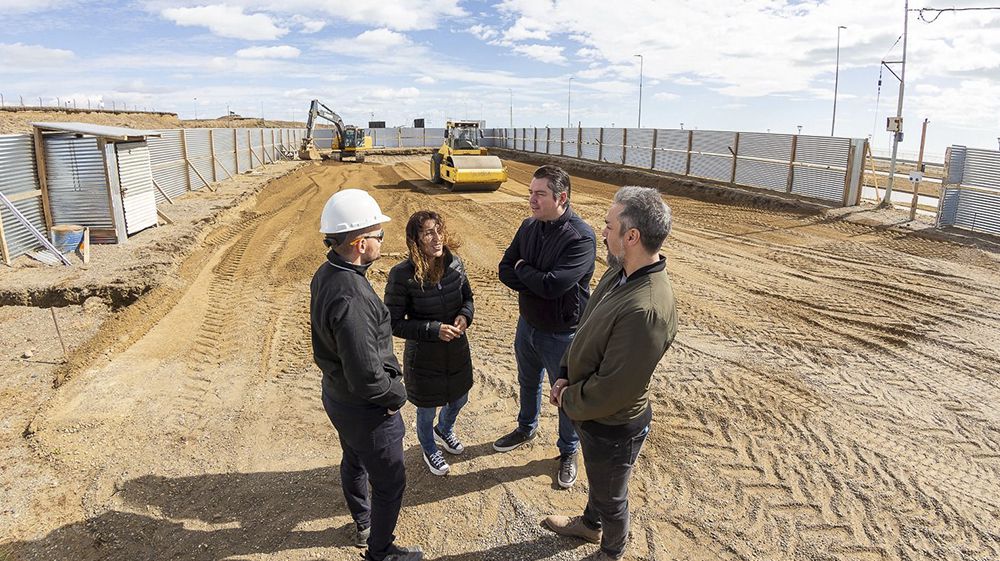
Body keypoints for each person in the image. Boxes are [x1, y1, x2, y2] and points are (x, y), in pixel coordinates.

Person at [543, 185, 678, 561]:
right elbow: (586, 327)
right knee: (600, 483)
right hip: (592, 412)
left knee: (612, 497)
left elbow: (614, 390)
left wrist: (568, 398)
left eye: (608, 225)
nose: (601, 231)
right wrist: (566, 372)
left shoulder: (646, 309)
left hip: (612, 423)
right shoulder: (620, 273)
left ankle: (611, 550)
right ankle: (590, 524)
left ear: (631, 236)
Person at [309, 189, 422, 561]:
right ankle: (381, 551)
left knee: (353, 458)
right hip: (366, 408)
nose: (381, 242)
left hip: (338, 397)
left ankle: (363, 522)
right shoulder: (352, 296)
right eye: (378, 236)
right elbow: (367, 377)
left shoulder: (328, 273)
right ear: (360, 243)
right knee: (390, 483)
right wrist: (396, 397)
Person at [495, 164, 597, 489]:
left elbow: (554, 286)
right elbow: (504, 270)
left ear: (561, 197)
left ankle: (568, 451)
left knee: (564, 395)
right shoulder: (528, 227)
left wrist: (525, 269)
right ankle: (526, 427)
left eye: (539, 194)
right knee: (527, 381)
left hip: (564, 334)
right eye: (530, 193)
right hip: (527, 326)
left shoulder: (580, 237)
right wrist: (533, 277)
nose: (532, 200)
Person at [384, 210, 475, 476]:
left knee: (460, 398)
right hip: (424, 356)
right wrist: (434, 330)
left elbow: (468, 298)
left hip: (457, 350)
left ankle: (444, 429)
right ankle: (428, 447)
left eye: (439, 231)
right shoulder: (402, 275)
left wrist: (464, 315)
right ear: (416, 240)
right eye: (428, 233)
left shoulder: (455, 263)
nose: (437, 239)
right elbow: (393, 322)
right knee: (426, 411)